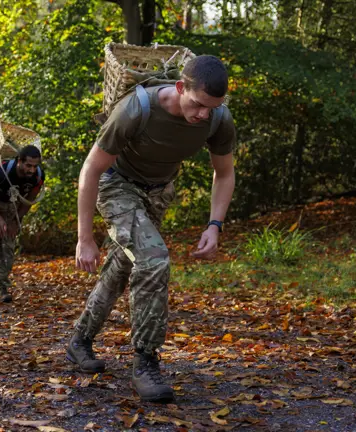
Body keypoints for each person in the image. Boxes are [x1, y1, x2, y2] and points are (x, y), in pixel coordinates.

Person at [68, 55, 236, 403]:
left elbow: (224, 173)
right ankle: (145, 362)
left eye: (213, 107)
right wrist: (85, 238)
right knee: (154, 259)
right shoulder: (137, 108)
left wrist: (214, 225)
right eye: (199, 104)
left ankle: (80, 340)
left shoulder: (218, 118)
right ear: (180, 88)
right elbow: (91, 169)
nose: (204, 114)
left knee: (122, 268)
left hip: (158, 193)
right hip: (117, 186)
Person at [0, 145, 44, 303]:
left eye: (35, 166)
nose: (32, 170)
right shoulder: (0, 171)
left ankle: (2, 288)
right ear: (19, 161)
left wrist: (16, 220)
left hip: (12, 207)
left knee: (8, 247)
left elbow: (29, 200)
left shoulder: (38, 176)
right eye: (28, 165)